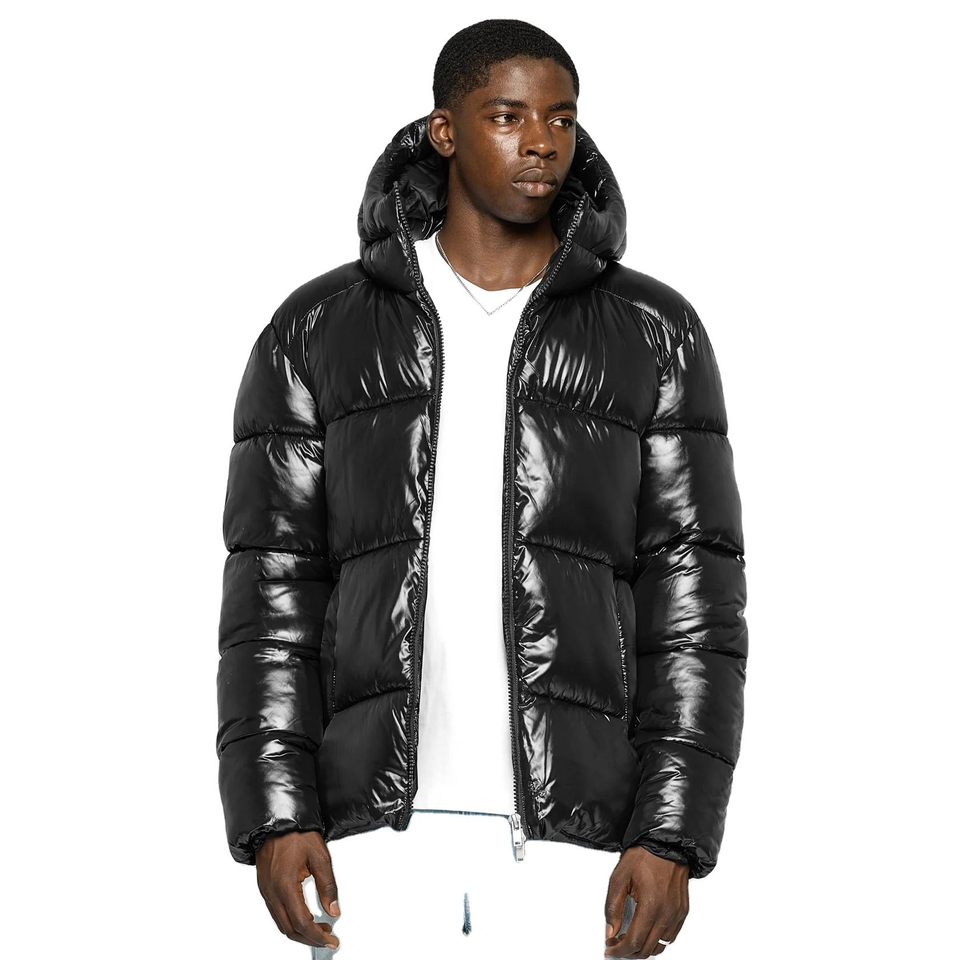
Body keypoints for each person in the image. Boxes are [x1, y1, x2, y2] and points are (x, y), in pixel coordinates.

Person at [215, 18, 748, 959]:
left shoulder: (653, 332)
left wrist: (670, 833)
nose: (540, 142)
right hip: (370, 844)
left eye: (561, 118)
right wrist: (276, 813)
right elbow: (272, 594)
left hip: (579, 851)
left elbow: (694, 602)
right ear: (445, 131)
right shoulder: (319, 330)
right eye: (507, 116)